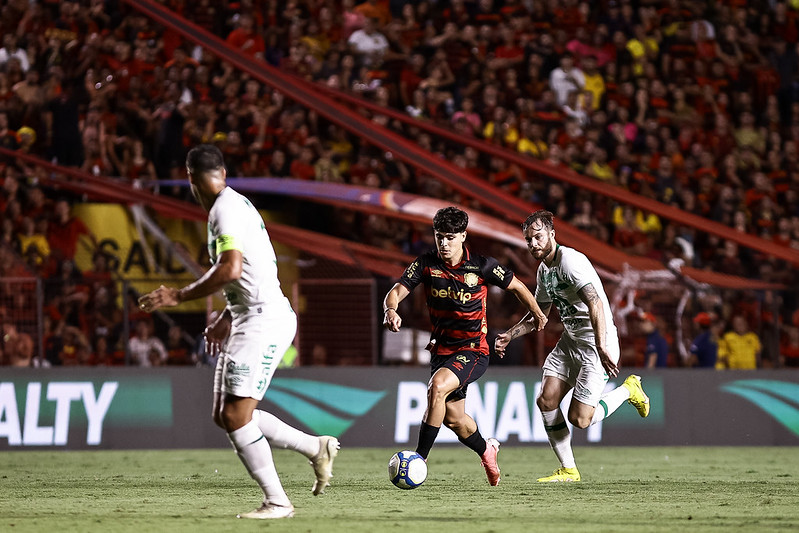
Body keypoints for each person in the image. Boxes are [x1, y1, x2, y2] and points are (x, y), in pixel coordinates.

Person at [138, 144, 339, 520]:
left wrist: (178, 295)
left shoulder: (223, 211)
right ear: (224, 173)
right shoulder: (233, 204)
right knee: (225, 413)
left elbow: (230, 268)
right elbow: (246, 271)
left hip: (264, 319)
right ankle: (316, 447)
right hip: (250, 315)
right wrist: (228, 316)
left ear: (190, 179)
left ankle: (278, 502)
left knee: (236, 415)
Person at [382, 206, 547, 486]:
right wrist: (390, 309)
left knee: (437, 387)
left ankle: (418, 460)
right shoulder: (425, 264)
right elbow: (396, 291)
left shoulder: (481, 265)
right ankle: (487, 450)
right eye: (438, 237)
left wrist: (538, 314)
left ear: (463, 236)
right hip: (441, 350)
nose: (443, 243)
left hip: (473, 350)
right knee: (454, 420)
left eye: (449, 237)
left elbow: (517, 286)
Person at [495, 210, 650, 482]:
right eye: (529, 240)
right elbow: (539, 315)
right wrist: (511, 334)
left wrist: (602, 345)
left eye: (539, 237)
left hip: (595, 343)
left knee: (580, 419)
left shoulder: (571, 262)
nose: (534, 244)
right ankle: (568, 469)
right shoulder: (545, 270)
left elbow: (596, 303)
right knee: (546, 400)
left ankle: (628, 390)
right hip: (570, 341)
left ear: (552, 234)